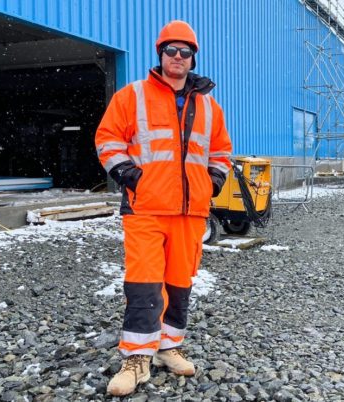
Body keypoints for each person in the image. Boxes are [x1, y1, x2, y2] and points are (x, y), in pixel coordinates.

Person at [94, 20, 232, 396]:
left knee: (180, 282)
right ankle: (136, 358)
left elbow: (221, 151)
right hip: (147, 209)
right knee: (144, 283)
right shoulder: (132, 96)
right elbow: (107, 138)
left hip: (190, 213)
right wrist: (128, 174)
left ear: (193, 58)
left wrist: (213, 182)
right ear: (160, 54)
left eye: (184, 51)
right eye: (171, 50)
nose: (177, 57)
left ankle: (168, 346)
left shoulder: (208, 105)